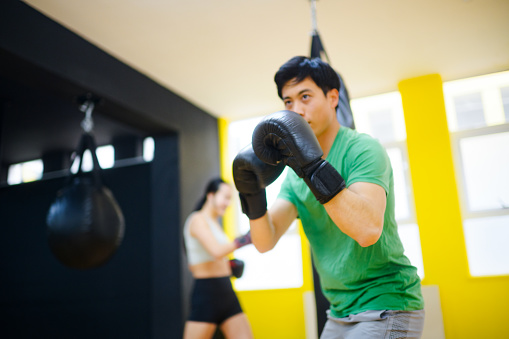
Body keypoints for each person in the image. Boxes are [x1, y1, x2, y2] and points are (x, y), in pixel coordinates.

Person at [232, 56, 425, 339]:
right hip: (338, 312)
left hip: (386, 302)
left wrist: (311, 167)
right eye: (288, 102)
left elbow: (368, 230)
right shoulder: (291, 175)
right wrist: (251, 192)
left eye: (305, 96)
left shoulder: (362, 149)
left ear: (333, 97)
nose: (296, 109)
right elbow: (264, 241)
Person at [183, 178, 254, 339]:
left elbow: (217, 256)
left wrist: (229, 266)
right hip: (207, 293)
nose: (228, 203)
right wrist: (245, 238)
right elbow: (216, 251)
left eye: (230, 199)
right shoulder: (197, 220)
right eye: (225, 197)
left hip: (225, 290)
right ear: (210, 195)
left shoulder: (214, 222)